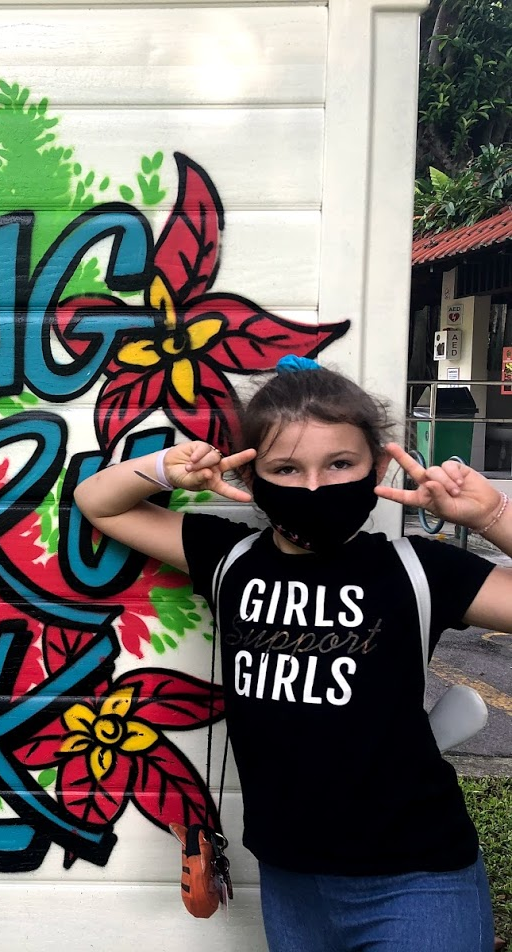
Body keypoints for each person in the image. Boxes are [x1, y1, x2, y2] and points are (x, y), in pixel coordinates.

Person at [74, 356, 512, 952]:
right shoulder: (229, 558)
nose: (313, 487)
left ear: (378, 465)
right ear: (251, 477)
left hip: (419, 877)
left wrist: (492, 515)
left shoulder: (417, 569)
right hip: (291, 877)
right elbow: (99, 501)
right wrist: (165, 469)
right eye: (285, 468)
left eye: (340, 463)